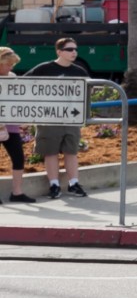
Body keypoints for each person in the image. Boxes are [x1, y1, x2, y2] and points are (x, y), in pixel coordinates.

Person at [26, 39, 91, 200]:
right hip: (48, 118)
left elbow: (88, 92)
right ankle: (54, 185)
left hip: (71, 118)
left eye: (75, 49)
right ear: (59, 51)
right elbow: (24, 84)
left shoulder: (80, 71)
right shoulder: (43, 68)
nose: (74, 52)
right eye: (69, 49)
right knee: (51, 152)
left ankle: (74, 183)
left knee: (71, 151)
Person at [0, 48, 29, 203]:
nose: (11, 67)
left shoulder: (13, 77)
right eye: (9, 64)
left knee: (18, 158)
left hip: (10, 126)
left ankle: (17, 193)